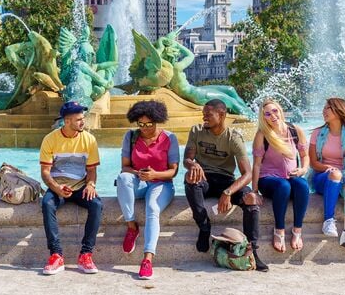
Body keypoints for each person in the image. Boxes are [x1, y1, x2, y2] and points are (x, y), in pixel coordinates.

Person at [183, 99, 267, 271]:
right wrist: (193, 164)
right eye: (203, 114)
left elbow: (248, 173)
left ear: (221, 115)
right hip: (204, 177)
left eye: (208, 114)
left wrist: (228, 192)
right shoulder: (196, 131)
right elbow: (187, 159)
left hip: (225, 179)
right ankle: (204, 226)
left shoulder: (234, 137)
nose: (204, 117)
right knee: (190, 177)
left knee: (251, 198)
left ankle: (252, 251)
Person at [116, 100, 179, 280]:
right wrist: (139, 173)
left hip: (162, 184)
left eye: (149, 124)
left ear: (157, 120)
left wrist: (155, 174)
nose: (144, 128)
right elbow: (125, 167)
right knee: (123, 178)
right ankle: (131, 226)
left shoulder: (169, 138)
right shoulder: (131, 137)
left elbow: (173, 171)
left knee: (152, 208)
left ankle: (147, 259)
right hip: (140, 182)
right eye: (140, 124)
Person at [39, 100, 103, 275]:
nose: (83, 122)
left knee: (96, 205)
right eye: (79, 119)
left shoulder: (89, 140)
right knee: (47, 204)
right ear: (67, 121)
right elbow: (45, 172)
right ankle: (56, 255)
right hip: (57, 186)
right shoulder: (50, 139)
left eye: (83, 118)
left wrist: (91, 184)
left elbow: (91, 170)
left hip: (81, 186)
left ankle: (86, 254)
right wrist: (56, 187)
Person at [252, 100, 310, 253]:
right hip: (268, 179)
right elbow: (256, 165)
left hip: (290, 176)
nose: (273, 116)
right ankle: (279, 231)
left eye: (275, 111)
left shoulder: (295, 130)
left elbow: (305, 155)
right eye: (267, 114)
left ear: (280, 111)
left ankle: (297, 230)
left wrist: (303, 169)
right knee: (283, 186)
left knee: (303, 185)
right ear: (263, 118)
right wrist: (254, 191)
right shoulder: (262, 135)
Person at [308, 98, 345, 238]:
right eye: (324, 108)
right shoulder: (317, 133)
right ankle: (328, 220)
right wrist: (328, 167)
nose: (324, 111)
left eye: (328, 108)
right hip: (323, 176)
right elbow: (314, 163)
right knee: (335, 174)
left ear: (339, 111)